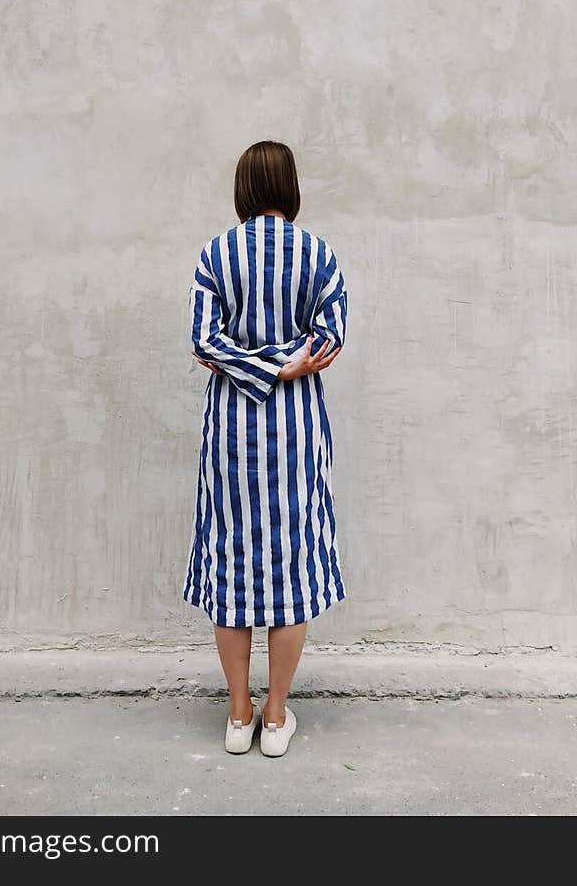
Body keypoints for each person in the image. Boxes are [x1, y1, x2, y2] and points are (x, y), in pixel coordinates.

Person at [183, 139, 348, 758]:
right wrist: (283, 368)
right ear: (291, 187)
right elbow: (331, 338)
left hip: (230, 426)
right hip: (297, 427)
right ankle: (276, 717)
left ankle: (236, 713)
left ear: (243, 189)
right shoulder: (321, 256)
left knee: (230, 560)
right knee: (291, 561)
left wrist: (251, 368)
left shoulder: (214, 255)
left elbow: (202, 341)